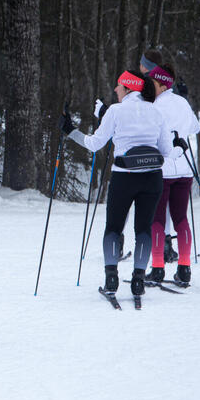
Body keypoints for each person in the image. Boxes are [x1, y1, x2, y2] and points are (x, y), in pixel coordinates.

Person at [60, 70, 170, 301]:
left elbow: (94, 144)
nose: (115, 91)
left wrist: (70, 131)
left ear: (128, 88)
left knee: (113, 228)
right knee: (143, 229)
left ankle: (111, 277)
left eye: (118, 87)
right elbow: (166, 151)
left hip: (124, 176)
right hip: (152, 178)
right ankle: (138, 280)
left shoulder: (115, 111)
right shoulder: (156, 112)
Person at [147, 62, 200, 286]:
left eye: (152, 83)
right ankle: (185, 268)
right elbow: (196, 128)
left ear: (161, 84)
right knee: (180, 218)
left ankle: (158, 268)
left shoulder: (155, 106)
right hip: (185, 168)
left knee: (157, 219)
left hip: (162, 168)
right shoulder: (182, 103)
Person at [139, 48, 178, 264]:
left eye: (143, 63)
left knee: (156, 208)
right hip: (170, 159)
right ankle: (166, 246)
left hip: (156, 157)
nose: (140, 66)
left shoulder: (148, 86)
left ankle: (158, 252)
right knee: (165, 208)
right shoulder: (166, 88)